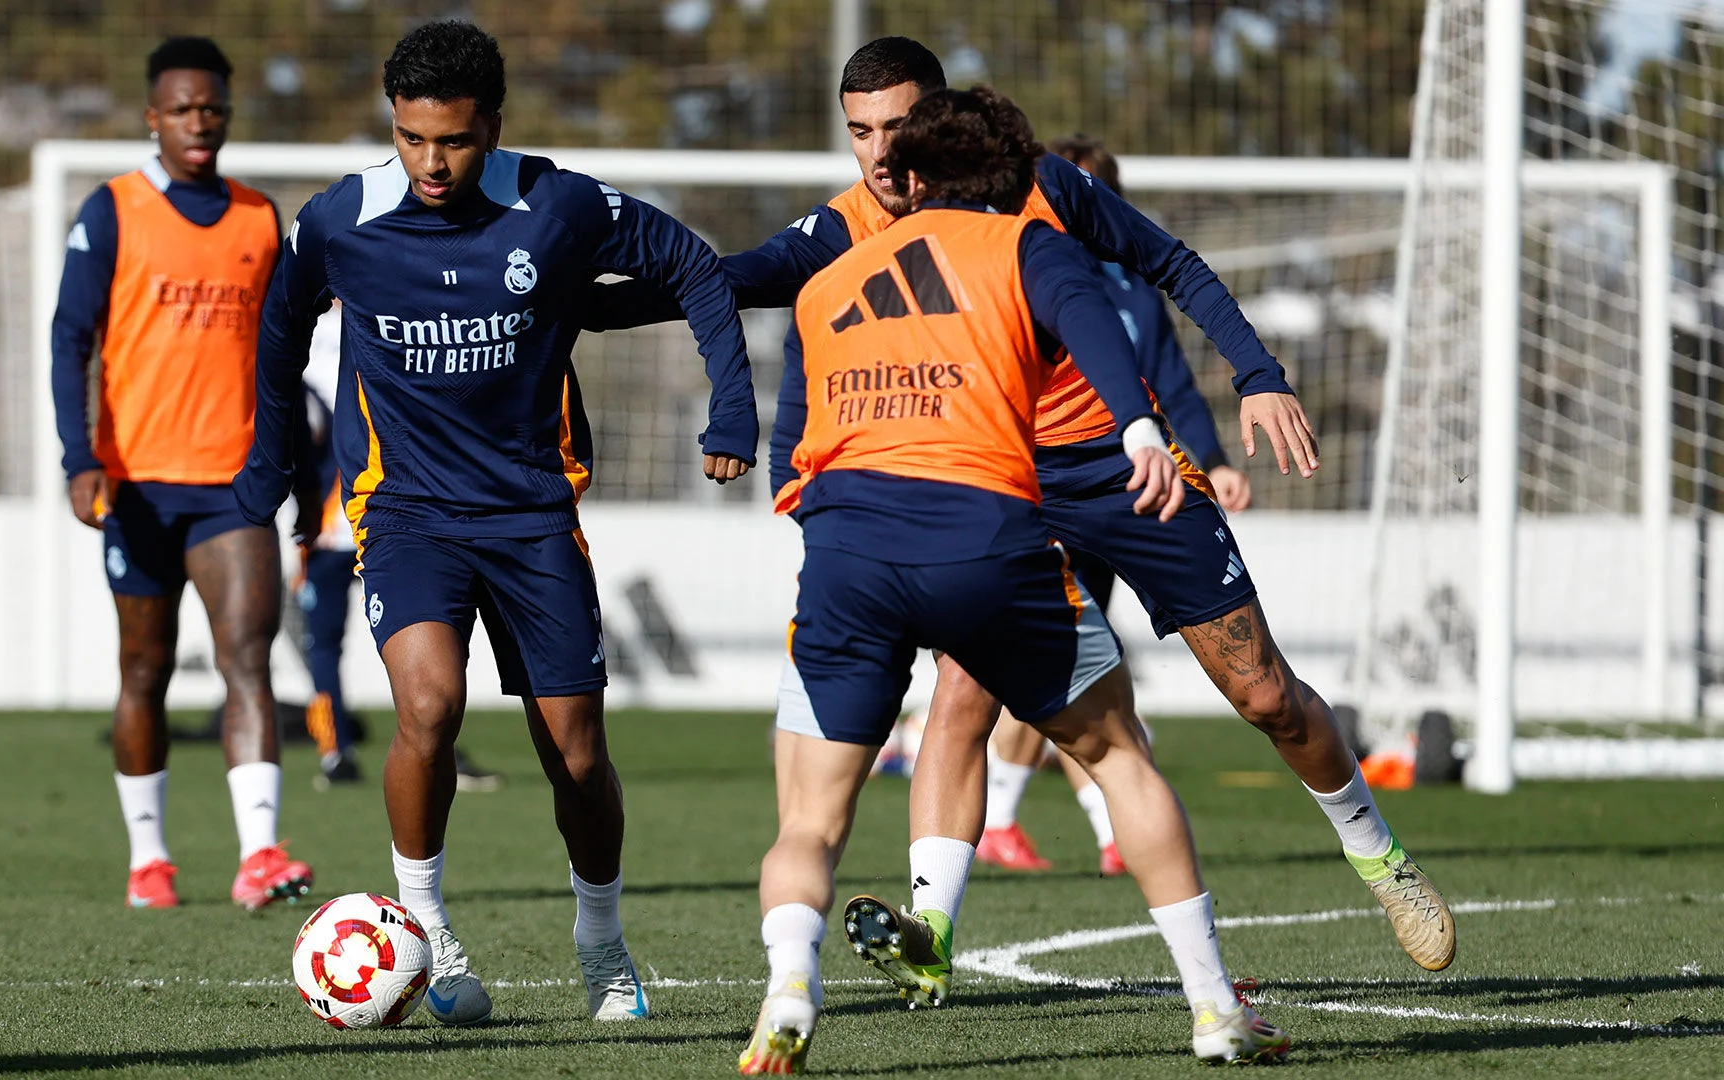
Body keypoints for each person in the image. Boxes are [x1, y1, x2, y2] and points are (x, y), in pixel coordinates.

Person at [600, 36, 1453, 979]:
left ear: (948, 122)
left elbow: (1171, 263)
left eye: (901, 127)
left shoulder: (1045, 190)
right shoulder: (848, 225)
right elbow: (738, 277)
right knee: (962, 699)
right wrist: (580, 302)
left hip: (1124, 467)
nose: (882, 154)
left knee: (1263, 694)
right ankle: (933, 937)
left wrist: (1255, 375)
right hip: (993, 484)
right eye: (861, 133)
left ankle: (1378, 853)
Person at [740, 86, 1288, 1073]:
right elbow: (1109, 335)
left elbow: (793, 402)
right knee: (1120, 755)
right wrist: (1144, 430)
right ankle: (1215, 1010)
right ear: (1018, 175)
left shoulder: (830, 280)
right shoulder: (1025, 247)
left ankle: (789, 987)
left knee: (810, 820)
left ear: (908, 177)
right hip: (986, 543)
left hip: (849, 557)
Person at [232, 21, 756, 1026]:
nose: (432, 163)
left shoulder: (558, 204)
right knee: (427, 707)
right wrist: (271, 458)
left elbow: (694, 266)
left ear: (494, 127)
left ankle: (600, 944)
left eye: (455, 141)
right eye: (412, 138)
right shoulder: (341, 220)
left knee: (575, 750)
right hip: (406, 511)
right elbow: (280, 320)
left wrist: (732, 407)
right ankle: (426, 930)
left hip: (530, 514)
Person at [51, 36, 312, 912]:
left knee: (249, 658)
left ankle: (261, 854)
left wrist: (306, 474)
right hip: (137, 483)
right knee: (144, 671)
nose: (200, 121)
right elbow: (70, 340)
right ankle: (150, 859)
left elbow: (284, 359)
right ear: (152, 117)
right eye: (183, 108)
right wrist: (79, 457)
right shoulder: (113, 209)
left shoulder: (259, 218)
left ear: (227, 115)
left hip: (233, 484)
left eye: (213, 107)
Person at [977, 134, 1249, 877]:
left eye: (1097, 193)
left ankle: (1071, 822)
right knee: (1062, 660)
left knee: (1086, 664)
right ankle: (1051, 823)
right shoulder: (1008, 270)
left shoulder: (1129, 290)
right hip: (1048, 491)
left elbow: (1171, 383)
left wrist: (1214, 460)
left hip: (1136, 489)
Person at [295, 332, 503, 795]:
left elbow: (298, 431)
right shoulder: (391, 311)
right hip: (395, 519)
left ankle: (337, 754)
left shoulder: (300, 332)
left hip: (347, 523)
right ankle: (435, 750)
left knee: (327, 646)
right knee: (439, 636)